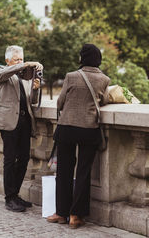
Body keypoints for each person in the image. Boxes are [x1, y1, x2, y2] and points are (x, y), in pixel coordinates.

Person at [47, 44, 110, 228]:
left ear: (82, 58)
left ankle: (61, 212)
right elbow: (104, 101)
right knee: (83, 172)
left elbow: (60, 103)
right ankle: (76, 215)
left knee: (64, 170)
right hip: (88, 129)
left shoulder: (71, 76)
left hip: (66, 127)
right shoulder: (104, 79)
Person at [0, 45, 43, 212]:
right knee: (9, 160)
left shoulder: (25, 78)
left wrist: (35, 89)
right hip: (8, 122)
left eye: (21, 59)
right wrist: (27, 63)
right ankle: (9, 198)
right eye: (17, 60)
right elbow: (6, 73)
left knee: (25, 158)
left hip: (25, 122)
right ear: (8, 61)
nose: (20, 62)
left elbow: (32, 102)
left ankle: (15, 194)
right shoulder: (1, 71)